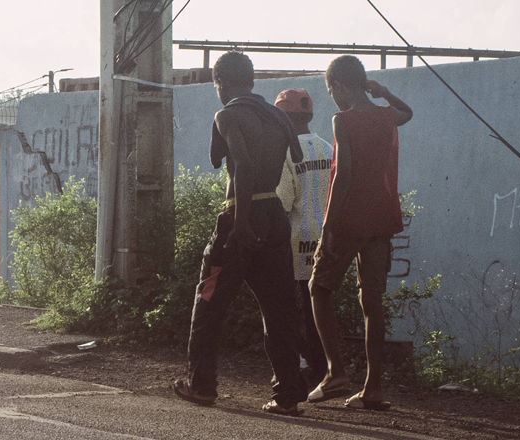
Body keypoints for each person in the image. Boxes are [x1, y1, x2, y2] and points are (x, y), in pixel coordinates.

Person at [172, 52, 308, 415]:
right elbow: (293, 157)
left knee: (209, 300)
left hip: (240, 216)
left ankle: (201, 385)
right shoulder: (280, 115)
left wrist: (242, 223)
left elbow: (239, 163)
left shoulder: (227, 113)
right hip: (275, 216)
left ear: (221, 82)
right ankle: (288, 394)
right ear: (251, 80)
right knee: (280, 309)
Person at [306, 55, 412, 411]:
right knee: (372, 302)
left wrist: (327, 228)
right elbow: (407, 113)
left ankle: (335, 372)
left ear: (337, 86)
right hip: (383, 220)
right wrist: (385, 93)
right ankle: (373, 387)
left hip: (350, 221)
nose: (332, 98)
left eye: (330, 90)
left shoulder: (342, 121)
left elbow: (343, 175)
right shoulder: (386, 116)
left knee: (318, 288)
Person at [273, 88, 335, 388]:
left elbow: (282, 203)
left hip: (296, 242)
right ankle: (328, 368)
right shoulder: (328, 148)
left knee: (293, 308)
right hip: (328, 240)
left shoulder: (285, 154)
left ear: (282, 119)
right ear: (309, 115)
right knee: (321, 305)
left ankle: (308, 367)